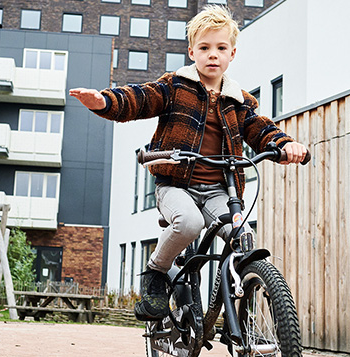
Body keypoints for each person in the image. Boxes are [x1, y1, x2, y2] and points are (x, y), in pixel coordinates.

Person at [70, 5, 308, 321]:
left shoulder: (239, 101)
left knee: (242, 236)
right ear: (191, 51)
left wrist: (285, 144)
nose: (213, 55)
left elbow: (261, 128)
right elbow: (140, 98)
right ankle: (156, 273)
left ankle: (242, 297)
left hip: (219, 190)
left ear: (232, 54)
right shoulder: (175, 86)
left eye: (221, 48)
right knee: (190, 222)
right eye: (205, 48)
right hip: (175, 186)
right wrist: (104, 102)